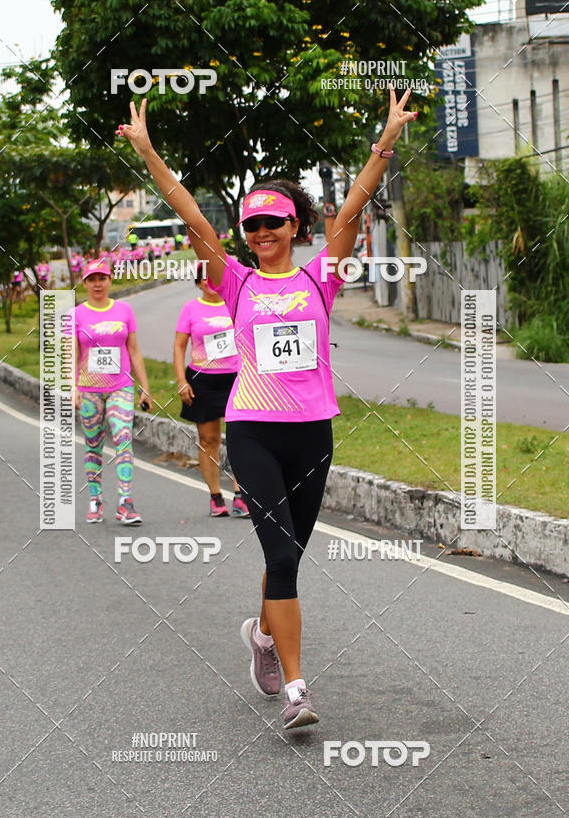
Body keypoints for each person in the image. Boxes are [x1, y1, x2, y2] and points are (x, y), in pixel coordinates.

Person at [118, 90, 416, 728]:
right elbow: (188, 210)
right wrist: (147, 152)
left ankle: (261, 635)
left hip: (312, 433)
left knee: (289, 557)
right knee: (280, 557)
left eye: (273, 223)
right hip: (252, 431)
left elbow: (357, 202)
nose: (260, 233)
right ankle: (298, 690)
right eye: (251, 226)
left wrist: (385, 142)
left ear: (295, 229)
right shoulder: (235, 280)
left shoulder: (319, 276)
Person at [72, 258, 153, 524]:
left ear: (110, 280)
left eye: (102, 278)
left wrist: (145, 388)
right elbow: (71, 356)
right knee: (93, 445)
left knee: (123, 439)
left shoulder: (124, 310)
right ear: (84, 283)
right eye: (92, 279)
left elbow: (134, 350)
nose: (97, 284)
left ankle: (125, 502)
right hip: (89, 390)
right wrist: (73, 388)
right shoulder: (77, 314)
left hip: (121, 386)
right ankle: (95, 500)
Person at [174, 262, 250, 518]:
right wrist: (181, 381)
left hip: (236, 379)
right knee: (209, 440)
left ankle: (241, 495)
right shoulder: (190, 309)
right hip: (202, 380)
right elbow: (179, 346)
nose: (209, 281)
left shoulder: (236, 302)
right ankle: (216, 495)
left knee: (241, 438)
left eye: (213, 276)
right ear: (198, 283)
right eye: (203, 278)